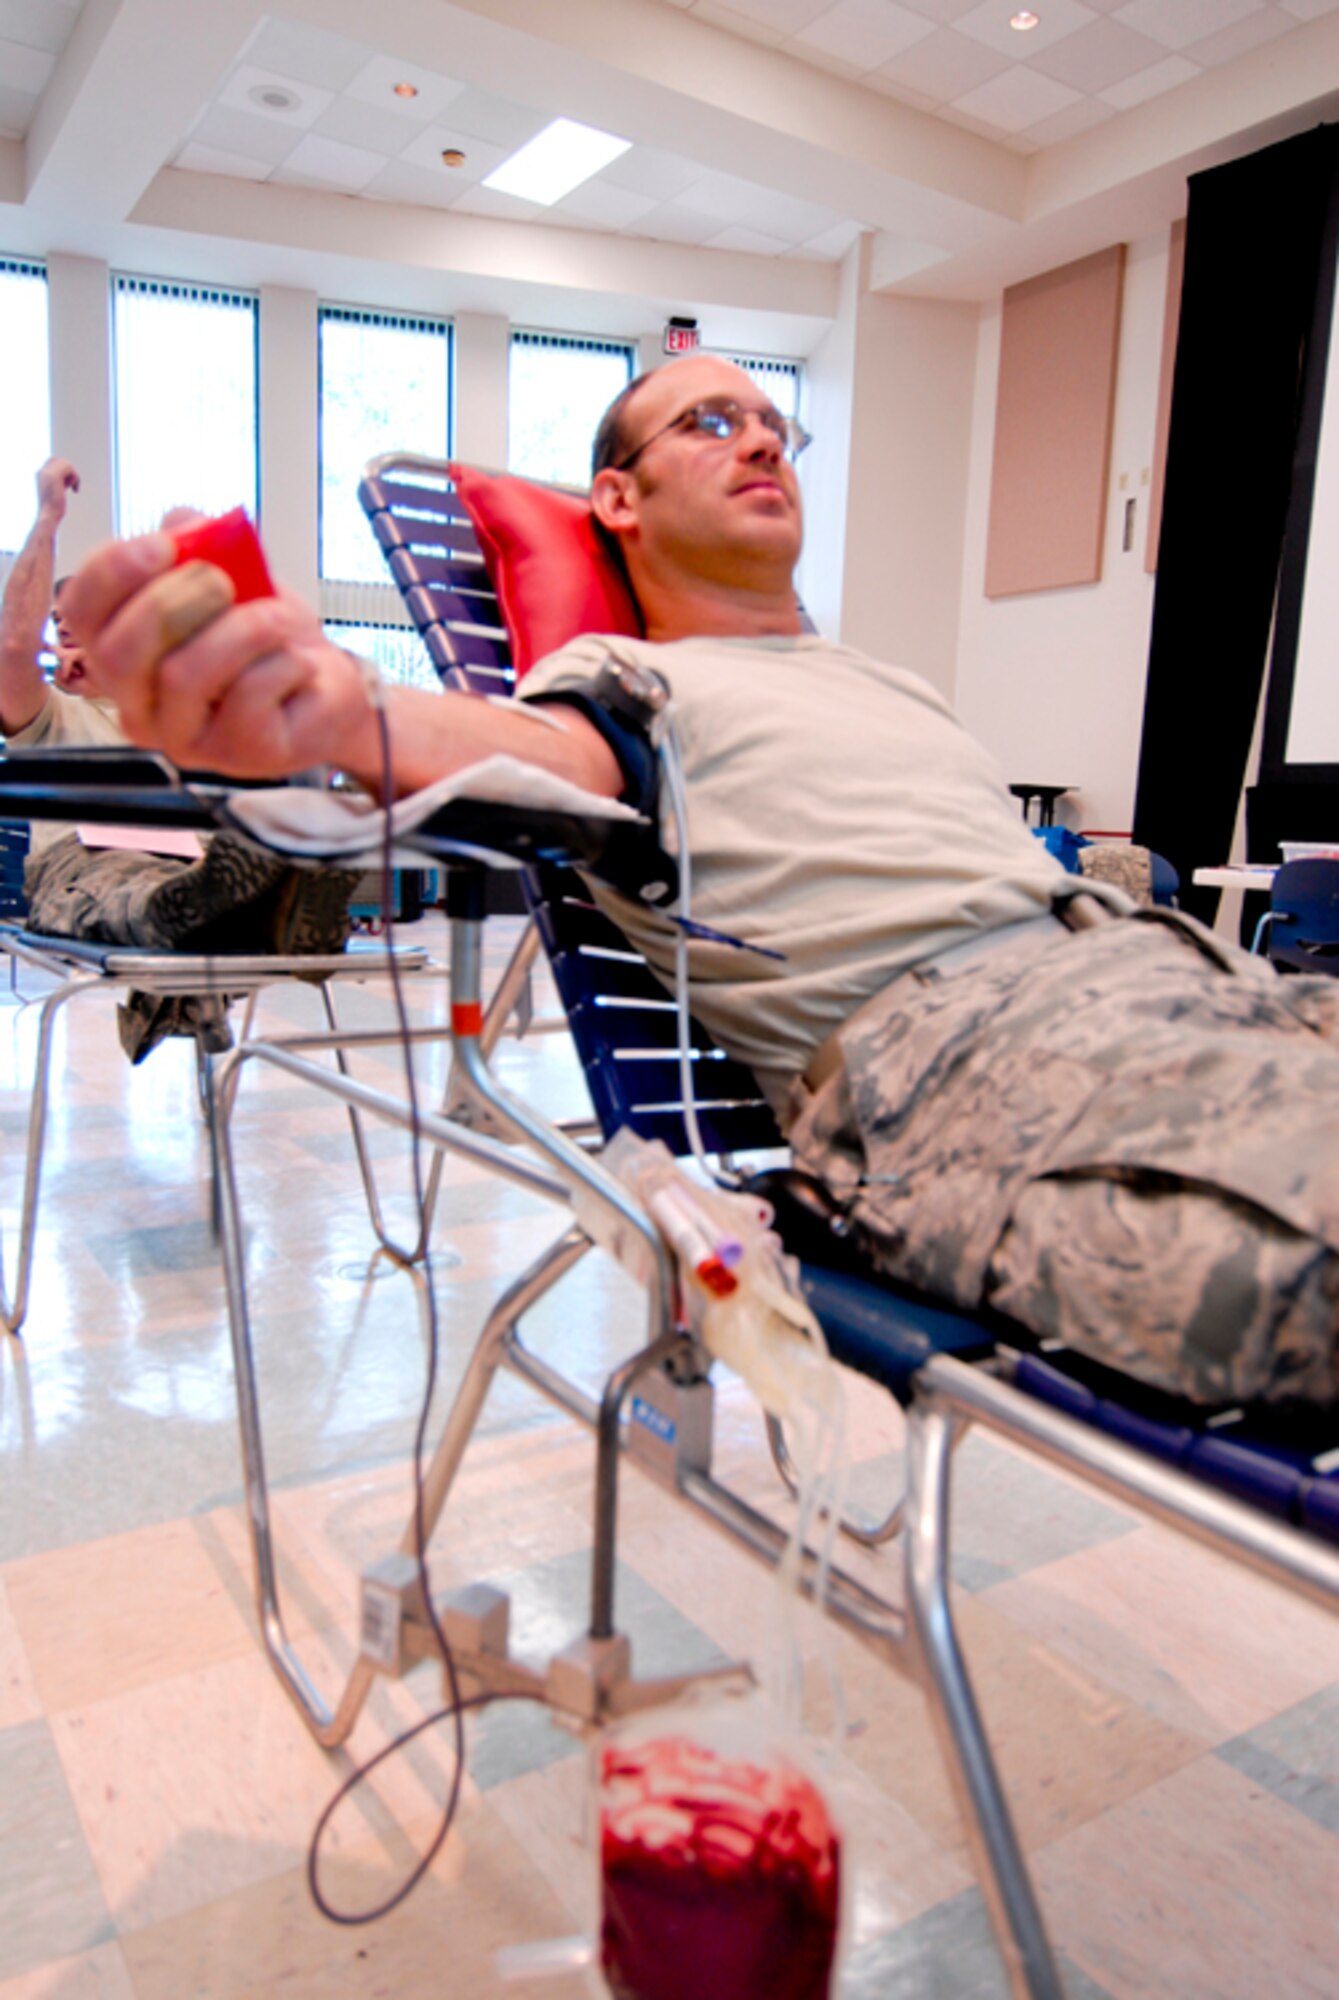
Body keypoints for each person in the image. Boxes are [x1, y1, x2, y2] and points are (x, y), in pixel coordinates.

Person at [59, 359, 1339, 1405]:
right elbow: (539, 761)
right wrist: (341, 716)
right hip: (975, 1070)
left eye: (775, 426)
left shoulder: (889, 681)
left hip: (1185, 978)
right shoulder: (620, 684)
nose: (762, 445)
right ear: (616, 499)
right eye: (711, 422)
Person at [0, 459, 361, 1059]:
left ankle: (265, 901)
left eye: (81, 625)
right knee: (152, 893)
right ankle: (215, 914)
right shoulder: (50, 717)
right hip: (84, 859)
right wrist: (47, 516)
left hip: (196, 860)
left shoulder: (174, 715)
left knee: (237, 861)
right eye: (57, 625)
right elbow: (13, 644)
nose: (62, 634)